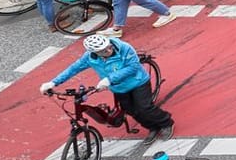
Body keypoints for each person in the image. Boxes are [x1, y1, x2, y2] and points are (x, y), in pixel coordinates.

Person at [43, 34, 174, 136]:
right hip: (119, 88)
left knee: (145, 107)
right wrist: (53, 82)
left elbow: (133, 67)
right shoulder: (89, 57)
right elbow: (73, 69)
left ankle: (166, 123)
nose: (109, 50)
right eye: (104, 51)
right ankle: (152, 127)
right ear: (95, 53)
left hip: (138, 82)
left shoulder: (124, 48)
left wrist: (109, 79)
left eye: (109, 47)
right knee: (130, 110)